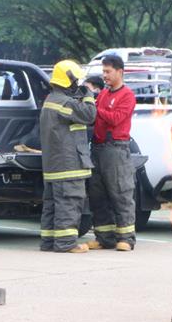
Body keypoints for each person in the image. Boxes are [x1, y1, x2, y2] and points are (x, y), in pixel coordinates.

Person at [39, 60, 97, 253]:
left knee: (52, 205)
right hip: (68, 165)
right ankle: (65, 243)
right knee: (69, 203)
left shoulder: (51, 100)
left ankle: (48, 242)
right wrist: (88, 95)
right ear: (69, 81)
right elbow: (89, 115)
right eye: (76, 81)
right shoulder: (64, 103)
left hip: (54, 167)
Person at [87, 54, 137, 252]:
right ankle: (104, 238)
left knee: (121, 193)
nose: (104, 76)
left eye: (108, 72)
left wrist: (95, 108)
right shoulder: (104, 95)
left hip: (116, 149)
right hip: (98, 148)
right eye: (103, 72)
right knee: (97, 195)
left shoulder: (127, 96)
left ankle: (126, 238)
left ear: (120, 72)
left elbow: (116, 118)